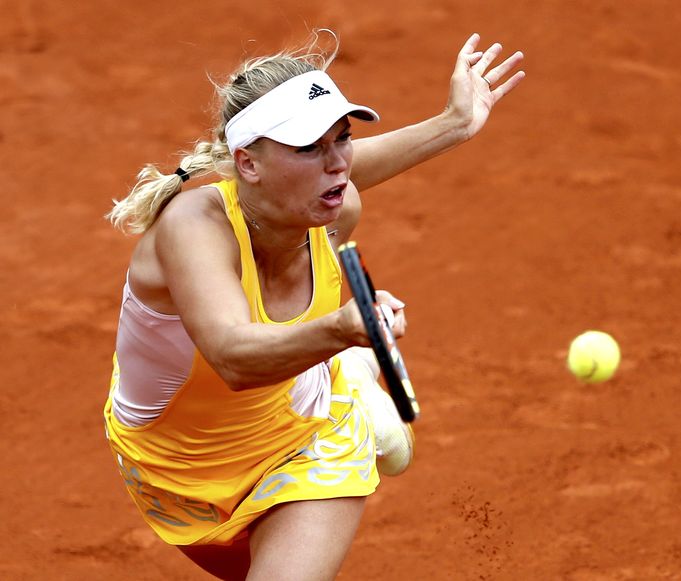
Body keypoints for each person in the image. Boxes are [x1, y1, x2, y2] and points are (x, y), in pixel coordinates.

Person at [102, 30, 525, 581]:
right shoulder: (191, 227)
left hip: (307, 437)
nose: (337, 164)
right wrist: (345, 329)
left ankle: (339, 391)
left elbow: (342, 171)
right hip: (174, 470)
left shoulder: (333, 207)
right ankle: (349, 367)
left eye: (342, 138)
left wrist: (455, 123)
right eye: (307, 147)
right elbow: (232, 356)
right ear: (247, 164)